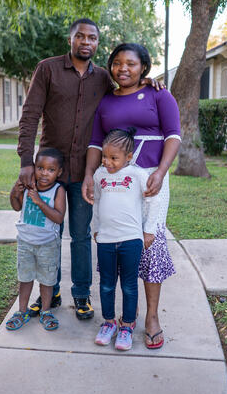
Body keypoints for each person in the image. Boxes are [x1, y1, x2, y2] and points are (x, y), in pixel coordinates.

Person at [17, 19, 163, 321]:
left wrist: (148, 83)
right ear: (70, 39)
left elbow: (126, 89)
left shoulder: (102, 79)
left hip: (88, 170)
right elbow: (30, 115)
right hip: (51, 169)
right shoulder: (48, 69)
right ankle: (50, 289)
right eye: (80, 36)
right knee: (48, 232)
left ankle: (81, 296)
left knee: (81, 234)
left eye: (92, 37)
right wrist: (25, 162)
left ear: (98, 43)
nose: (86, 41)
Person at [82, 43, 181, 349]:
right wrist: (88, 174)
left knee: (149, 243)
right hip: (115, 184)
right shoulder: (106, 101)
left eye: (131, 63)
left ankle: (151, 317)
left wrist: (161, 172)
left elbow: (174, 135)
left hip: (150, 180)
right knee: (117, 244)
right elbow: (96, 143)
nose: (123, 68)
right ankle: (118, 318)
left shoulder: (158, 94)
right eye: (117, 63)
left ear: (144, 67)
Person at [91, 128, 160, 351]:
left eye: (114, 158)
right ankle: (109, 322)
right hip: (106, 240)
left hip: (131, 240)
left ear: (128, 157)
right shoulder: (99, 175)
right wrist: (96, 228)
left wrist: (148, 231)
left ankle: (127, 326)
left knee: (129, 286)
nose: (107, 162)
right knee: (107, 284)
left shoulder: (139, 175)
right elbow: (97, 203)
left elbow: (152, 202)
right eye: (104, 156)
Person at [7, 148, 66, 331]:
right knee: (25, 279)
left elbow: (58, 217)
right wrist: (14, 192)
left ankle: (46, 311)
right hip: (25, 242)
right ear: (34, 168)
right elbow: (17, 207)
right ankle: (22, 312)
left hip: (47, 244)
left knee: (47, 280)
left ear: (59, 172)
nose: (44, 173)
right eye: (40, 168)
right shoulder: (28, 185)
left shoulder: (58, 190)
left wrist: (39, 201)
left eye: (50, 169)